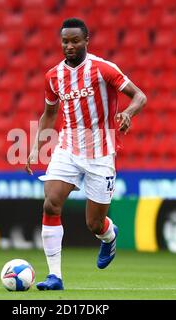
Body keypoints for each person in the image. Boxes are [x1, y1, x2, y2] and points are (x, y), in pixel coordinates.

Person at [25, 18, 147, 290]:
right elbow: (50, 113)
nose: (69, 46)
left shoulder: (103, 69)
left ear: (86, 41)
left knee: (94, 223)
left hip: (100, 153)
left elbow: (139, 96)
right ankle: (55, 276)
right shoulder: (53, 76)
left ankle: (108, 236)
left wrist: (127, 113)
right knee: (50, 204)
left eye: (75, 41)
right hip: (67, 148)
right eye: (65, 41)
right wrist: (35, 146)